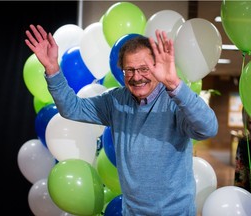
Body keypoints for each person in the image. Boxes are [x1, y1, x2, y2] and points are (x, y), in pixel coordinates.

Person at [25, 24, 218, 216]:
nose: (137, 77)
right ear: (122, 71)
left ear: (156, 67)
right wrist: (52, 69)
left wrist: (175, 85)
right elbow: (71, 108)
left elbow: (208, 128)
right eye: (129, 70)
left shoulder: (175, 101)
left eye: (144, 69)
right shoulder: (116, 101)